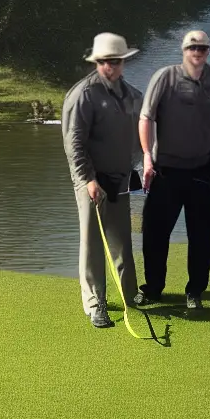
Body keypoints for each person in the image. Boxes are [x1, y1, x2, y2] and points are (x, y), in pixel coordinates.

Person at [134, 30, 210, 310]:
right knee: (155, 233)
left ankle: (195, 291)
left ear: (208, 51)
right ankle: (153, 288)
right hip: (166, 170)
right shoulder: (165, 77)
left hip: (203, 171)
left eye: (202, 47)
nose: (197, 51)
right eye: (192, 46)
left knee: (200, 237)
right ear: (183, 49)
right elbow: (146, 118)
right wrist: (147, 157)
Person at [61, 32, 144, 328]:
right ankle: (96, 303)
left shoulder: (132, 94)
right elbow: (74, 144)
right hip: (90, 180)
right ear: (97, 62)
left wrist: (136, 165)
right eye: (106, 61)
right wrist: (88, 180)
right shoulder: (83, 94)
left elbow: (142, 135)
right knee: (93, 241)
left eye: (117, 60)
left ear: (123, 62)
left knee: (121, 236)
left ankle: (129, 293)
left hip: (120, 178)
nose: (112, 66)